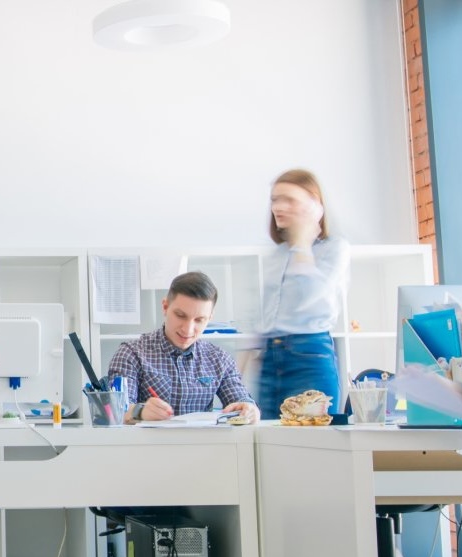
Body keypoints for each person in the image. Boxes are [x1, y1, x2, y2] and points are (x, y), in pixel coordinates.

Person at [106, 271, 259, 425]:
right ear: (165, 307)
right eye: (180, 315)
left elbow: (241, 400)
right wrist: (140, 411)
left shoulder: (219, 358)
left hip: (203, 446)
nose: (188, 329)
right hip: (149, 446)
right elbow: (116, 410)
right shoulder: (132, 353)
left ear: (210, 317)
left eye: (199, 320)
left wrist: (250, 409)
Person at [258, 169, 350, 412]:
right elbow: (266, 314)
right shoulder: (277, 254)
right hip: (270, 357)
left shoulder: (334, 248)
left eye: (289, 199)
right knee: (267, 439)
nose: (278, 207)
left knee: (313, 442)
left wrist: (302, 243)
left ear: (315, 206)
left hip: (309, 355)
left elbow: (313, 297)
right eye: (275, 200)